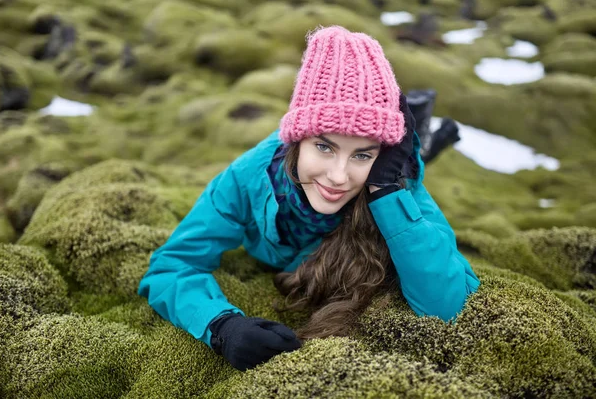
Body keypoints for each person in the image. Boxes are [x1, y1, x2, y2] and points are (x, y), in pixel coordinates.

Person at [138, 26, 480, 372]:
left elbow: (447, 306)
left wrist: (385, 193)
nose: (337, 176)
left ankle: (423, 140)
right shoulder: (249, 177)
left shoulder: (394, 183)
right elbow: (172, 265)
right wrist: (221, 326)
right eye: (324, 147)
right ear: (296, 140)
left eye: (362, 155)